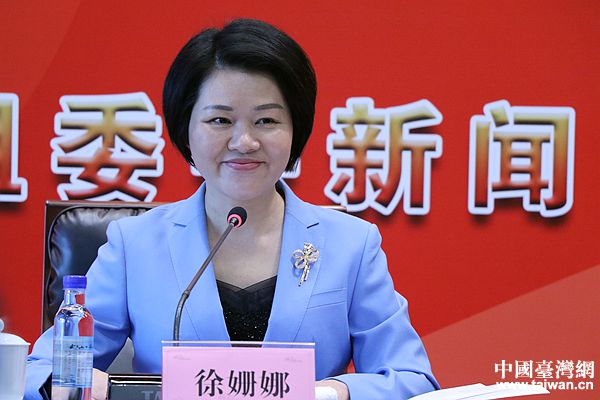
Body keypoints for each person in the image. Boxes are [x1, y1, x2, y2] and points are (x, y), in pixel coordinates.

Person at [26, 18, 438, 400]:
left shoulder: (351, 244)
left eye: (266, 121)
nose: (244, 142)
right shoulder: (134, 244)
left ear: (295, 130)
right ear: (186, 129)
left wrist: (332, 392)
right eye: (220, 121)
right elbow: (40, 370)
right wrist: (91, 384)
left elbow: (411, 378)